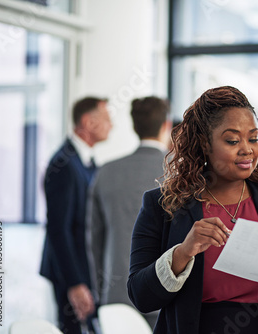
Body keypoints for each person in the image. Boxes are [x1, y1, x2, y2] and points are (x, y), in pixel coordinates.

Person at [127, 86, 258, 334]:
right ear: (204, 144)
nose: (247, 149)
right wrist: (182, 252)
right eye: (232, 140)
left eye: (253, 138)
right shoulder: (163, 205)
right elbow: (141, 296)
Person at [86, 96, 171, 328]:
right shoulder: (180, 171)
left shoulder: (106, 172)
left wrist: (102, 288)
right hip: (167, 292)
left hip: (117, 294)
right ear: (166, 125)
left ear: (134, 126)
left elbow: (94, 239)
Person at [40, 97, 112, 333]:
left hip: (86, 270)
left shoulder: (87, 162)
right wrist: (75, 283)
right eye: (106, 119)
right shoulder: (63, 164)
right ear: (88, 122)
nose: (112, 125)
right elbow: (58, 229)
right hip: (69, 273)